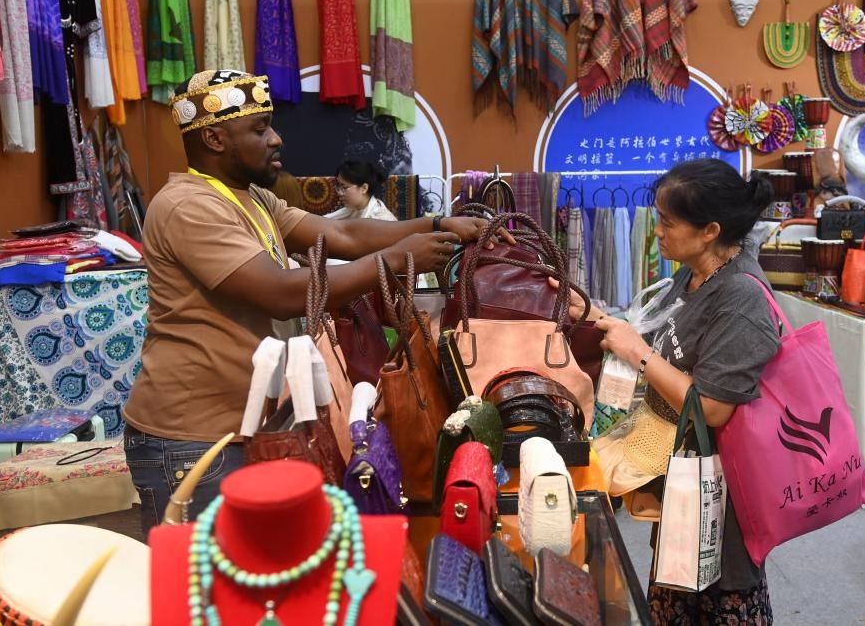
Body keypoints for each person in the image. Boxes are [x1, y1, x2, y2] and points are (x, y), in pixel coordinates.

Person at [122, 69, 494, 535]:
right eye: (260, 130)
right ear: (215, 138)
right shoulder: (188, 206)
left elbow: (341, 232)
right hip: (193, 439)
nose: (277, 139)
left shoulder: (254, 199)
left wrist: (435, 225)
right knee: (203, 595)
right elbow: (280, 293)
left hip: (243, 427)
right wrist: (396, 259)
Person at [573, 159, 780, 624]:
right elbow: (661, 344)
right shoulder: (692, 275)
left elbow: (712, 407)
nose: (659, 231)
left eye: (668, 222)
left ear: (710, 230)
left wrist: (637, 353)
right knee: (675, 589)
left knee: (722, 596)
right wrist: (595, 317)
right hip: (680, 477)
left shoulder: (740, 296)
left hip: (720, 492)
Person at [325, 157, 399, 221]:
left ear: (364, 188)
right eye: (339, 187)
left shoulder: (380, 220)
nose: (339, 193)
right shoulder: (354, 209)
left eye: (344, 187)